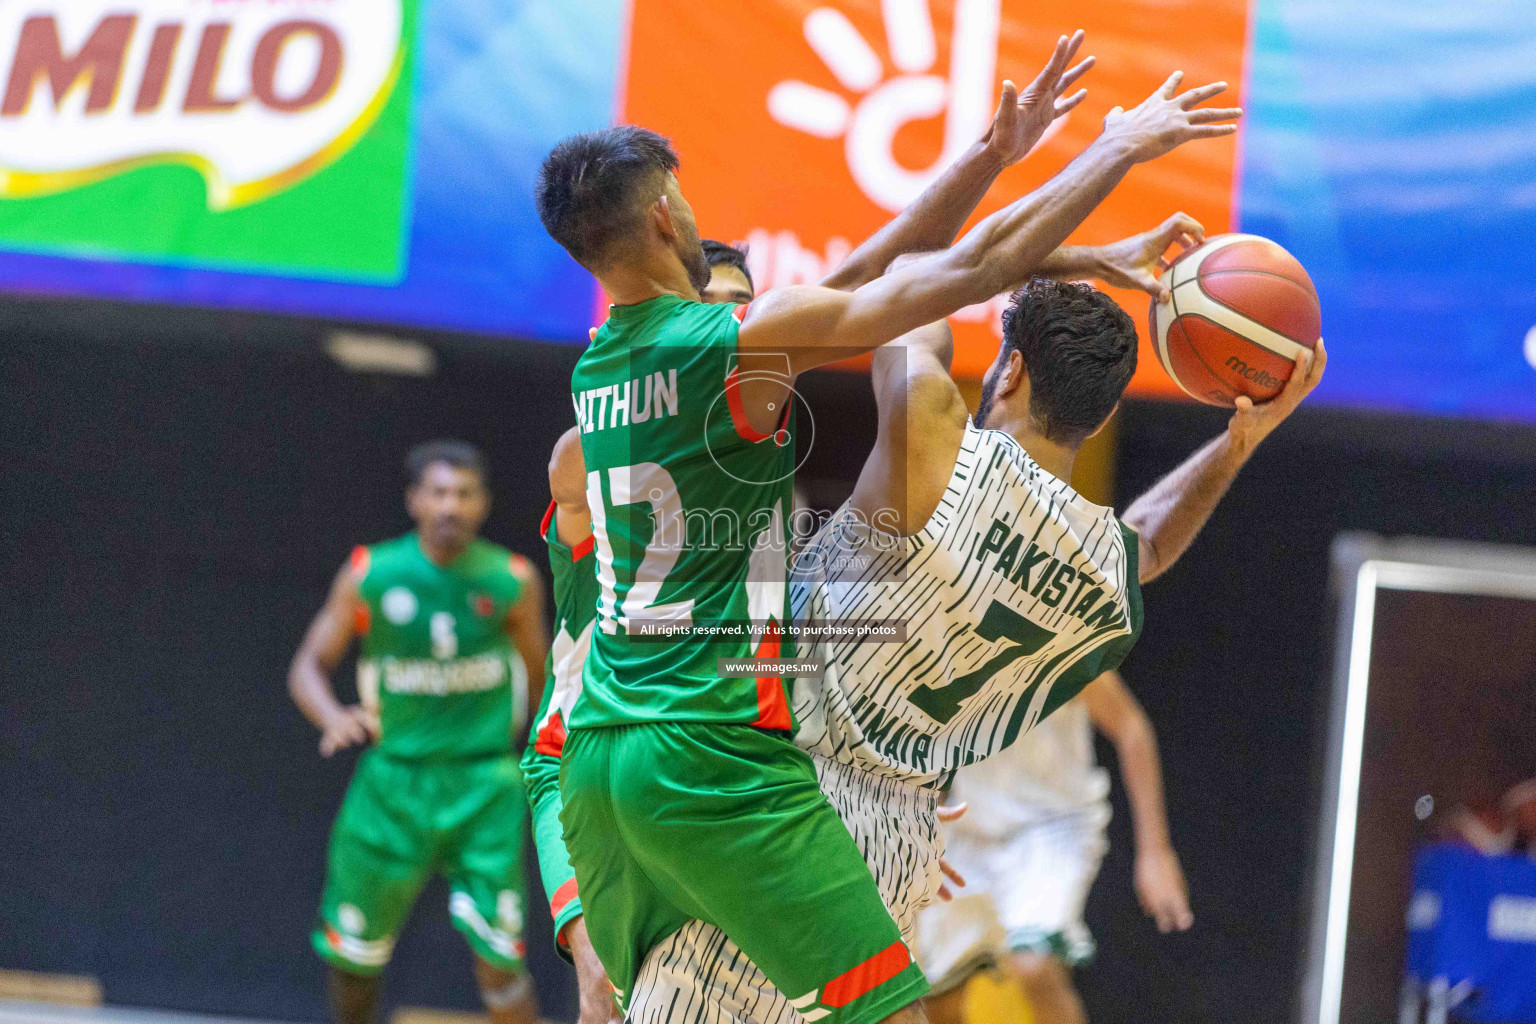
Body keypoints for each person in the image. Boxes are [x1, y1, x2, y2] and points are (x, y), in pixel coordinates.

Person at [533, 24, 1240, 1022]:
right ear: (663, 216)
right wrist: (1113, 152)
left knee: (632, 1006)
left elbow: (872, 268)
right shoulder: (724, 346)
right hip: (703, 747)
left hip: (600, 749)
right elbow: (935, 279)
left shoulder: (602, 363)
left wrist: (998, 159)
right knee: (893, 1009)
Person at [288, 441, 549, 1024]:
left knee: (501, 962)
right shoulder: (371, 574)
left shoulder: (512, 579)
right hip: (393, 784)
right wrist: (333, 716)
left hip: (484, 783)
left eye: (463, 493)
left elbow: (546, 683)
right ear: (414, 500)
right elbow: (306, 666)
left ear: (483, 503)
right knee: (353, 957)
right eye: (437, 492)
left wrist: (551, 759)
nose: (449, 506)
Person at [916, 669, 1192, 1024]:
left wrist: (1156, 851)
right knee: (940, 994)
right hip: (970, 828)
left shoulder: (1062, 633)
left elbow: (1131, 727)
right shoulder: (941, 639)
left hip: (1051, 824)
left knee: (1034, 965)